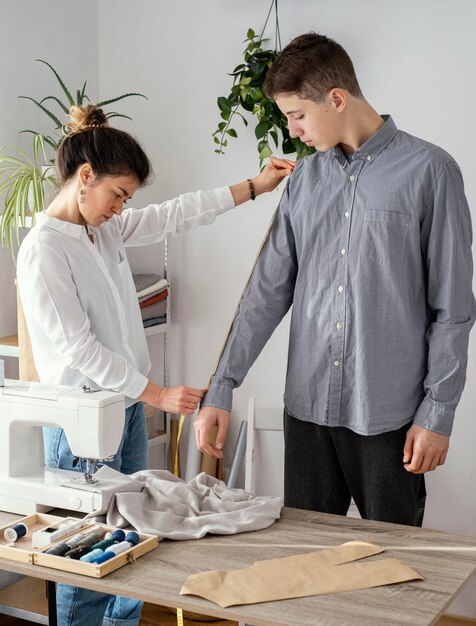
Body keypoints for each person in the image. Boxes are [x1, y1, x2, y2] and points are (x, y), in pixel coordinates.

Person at [16, 103, 294, 626]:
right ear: (84, 177)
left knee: (138, 539)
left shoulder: (104, 231)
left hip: (122, 410)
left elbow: (177, 213)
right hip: (81, 424)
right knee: (89, 549)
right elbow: (79, 350)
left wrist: (255, 186)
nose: (121, 208)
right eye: (117, 194)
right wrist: (157, 395)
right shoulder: (44, 250)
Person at [195, 33, 476, 528]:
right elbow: (265, 293)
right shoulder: (303, 182)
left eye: (298, 115)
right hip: (307, 411)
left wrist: (438, 413)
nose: (293, 130)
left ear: (337, 98)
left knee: (390, 570)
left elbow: (452, 308)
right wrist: (221, 388)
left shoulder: (432, 172)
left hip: (390, 417)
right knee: (304, 562)